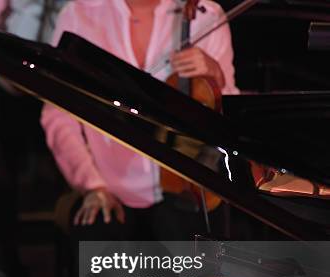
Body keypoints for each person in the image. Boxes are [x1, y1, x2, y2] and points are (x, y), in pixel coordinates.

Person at [41, 0, 238, 242]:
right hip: (111, 186)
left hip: (185, 186)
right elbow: (58, 115)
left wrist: (214, 75)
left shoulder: (205, 14)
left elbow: (230, 120)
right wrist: (92, 185)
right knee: (101, 239)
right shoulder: (79, 13)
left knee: (193, 240)